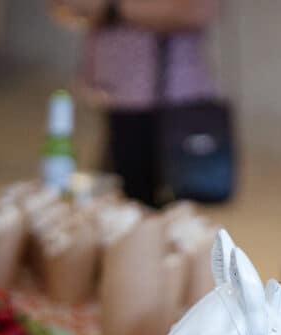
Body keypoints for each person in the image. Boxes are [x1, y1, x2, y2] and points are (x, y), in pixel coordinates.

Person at [49, 0, 220, 207]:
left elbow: (199, 10)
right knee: (113, 200)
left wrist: (109, 8)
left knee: (145, 207)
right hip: (113, 99)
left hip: (163, 102)